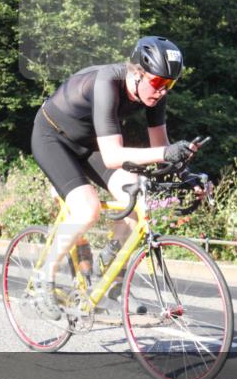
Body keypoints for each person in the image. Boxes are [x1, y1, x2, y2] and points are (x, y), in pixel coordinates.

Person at [30, 36, 204, 320]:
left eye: (169, 85)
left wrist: (185, 174)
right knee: (88, 209)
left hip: (90, 144)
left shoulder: (155, 93)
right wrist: (166, 153)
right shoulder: (107, 83)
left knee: (135, 196)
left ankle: (109, 281)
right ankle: (43, 278)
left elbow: (161, 146)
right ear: (137, 72)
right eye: (158, 83)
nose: (162, 91)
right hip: (53, 137)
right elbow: (113, 156)